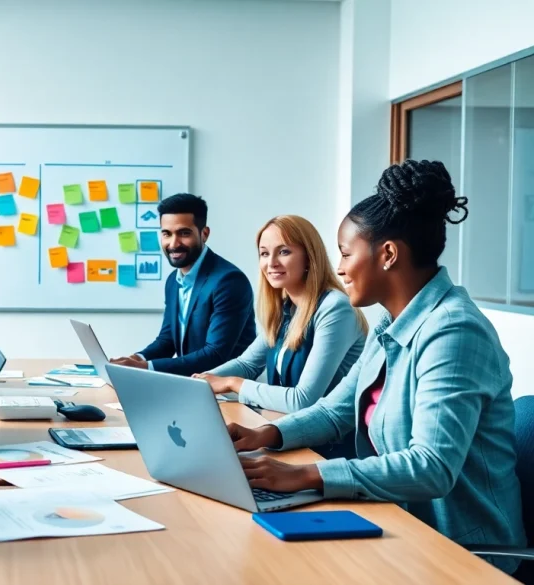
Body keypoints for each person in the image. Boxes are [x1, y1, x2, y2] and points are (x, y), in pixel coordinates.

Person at [225, 160, 526, 575]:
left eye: (347, 254)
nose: (341, 268)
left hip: (460, 553)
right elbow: (337, 409)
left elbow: (431, 467)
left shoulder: (454, 331)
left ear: (387, 254)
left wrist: (306, 475)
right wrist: (265, 434)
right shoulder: (390, 321)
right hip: (399, 526)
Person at [194, 215, 367, 414]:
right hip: (287, 430)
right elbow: (247, 364)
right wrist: (199, 384)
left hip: (327, 442)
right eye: (264, 254)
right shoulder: (285, 308)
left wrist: (233, 383)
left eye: (284, 252)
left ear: (309, 257)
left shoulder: (335, 308)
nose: (271, 263)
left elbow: (302, 401)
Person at [111, 193, 255, 376]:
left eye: (184, 233)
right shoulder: (174, 280)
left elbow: (215, 354)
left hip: (226, 392)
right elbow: (167, 340)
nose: (173, 243)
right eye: (166, 234)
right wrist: (136, 359)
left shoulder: (229, 281)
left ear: (204, 234)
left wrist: (146, 367)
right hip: (191, 383)